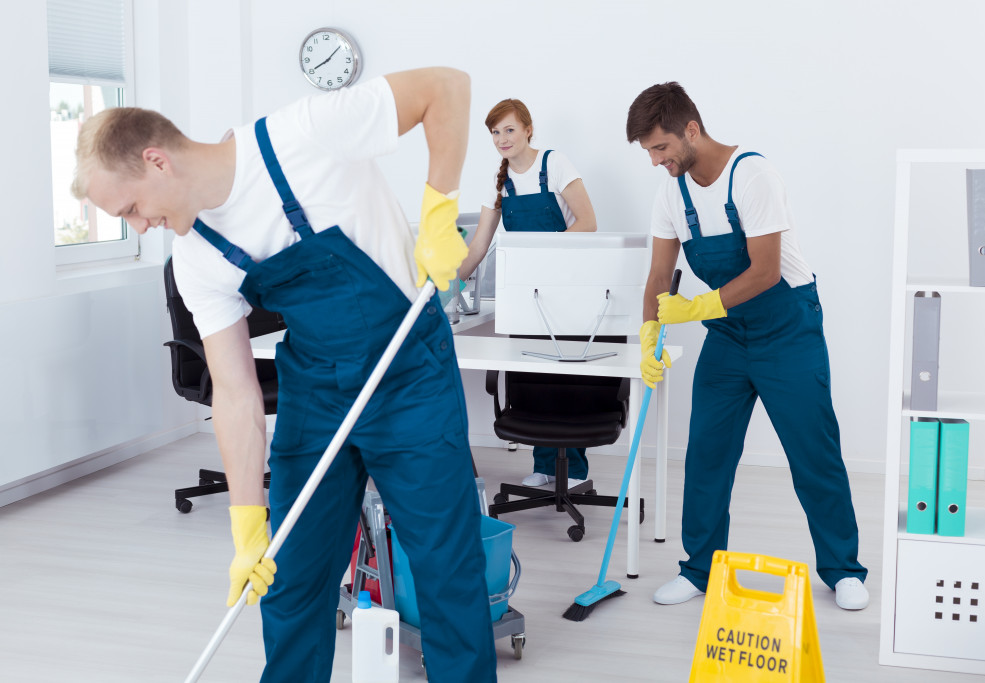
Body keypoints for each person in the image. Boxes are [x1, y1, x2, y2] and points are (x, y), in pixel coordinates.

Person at [72, 68, 498, 682]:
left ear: (156, 161)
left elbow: (449, 88)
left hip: (408, 374)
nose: (140, 227)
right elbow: (237, 394)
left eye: (133, 208)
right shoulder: (197, 258)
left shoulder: (304, 134)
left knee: (444, 567)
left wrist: (438, 213)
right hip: (317, 392)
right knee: (293, 576)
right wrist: (247, 526)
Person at [625, 82, 869, 611]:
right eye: (649, 152)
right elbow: (658, 278)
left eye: (661, 147)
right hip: (730, 340)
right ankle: (700, 568)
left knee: (812, 450)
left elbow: (763, 272)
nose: (656, 161)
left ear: (692, 129)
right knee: (707, 454)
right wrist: (648, 336)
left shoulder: (752, 175)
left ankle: (843, 569)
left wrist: (695, 308)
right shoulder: (672, 192)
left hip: (787, 331)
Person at [460, 98, 599, 488]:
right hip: (528, 293)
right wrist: (446, 283)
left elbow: (588, 222)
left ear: (527, 129)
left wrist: (544, 256)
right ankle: (543, 466)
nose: (501, 139)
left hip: (569, 286)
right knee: (531, 376)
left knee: (565, 377)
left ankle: (573, 470)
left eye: (508, 130)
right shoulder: (499, 181)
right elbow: (478, 246)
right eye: (494, 132)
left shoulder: (554, 164)